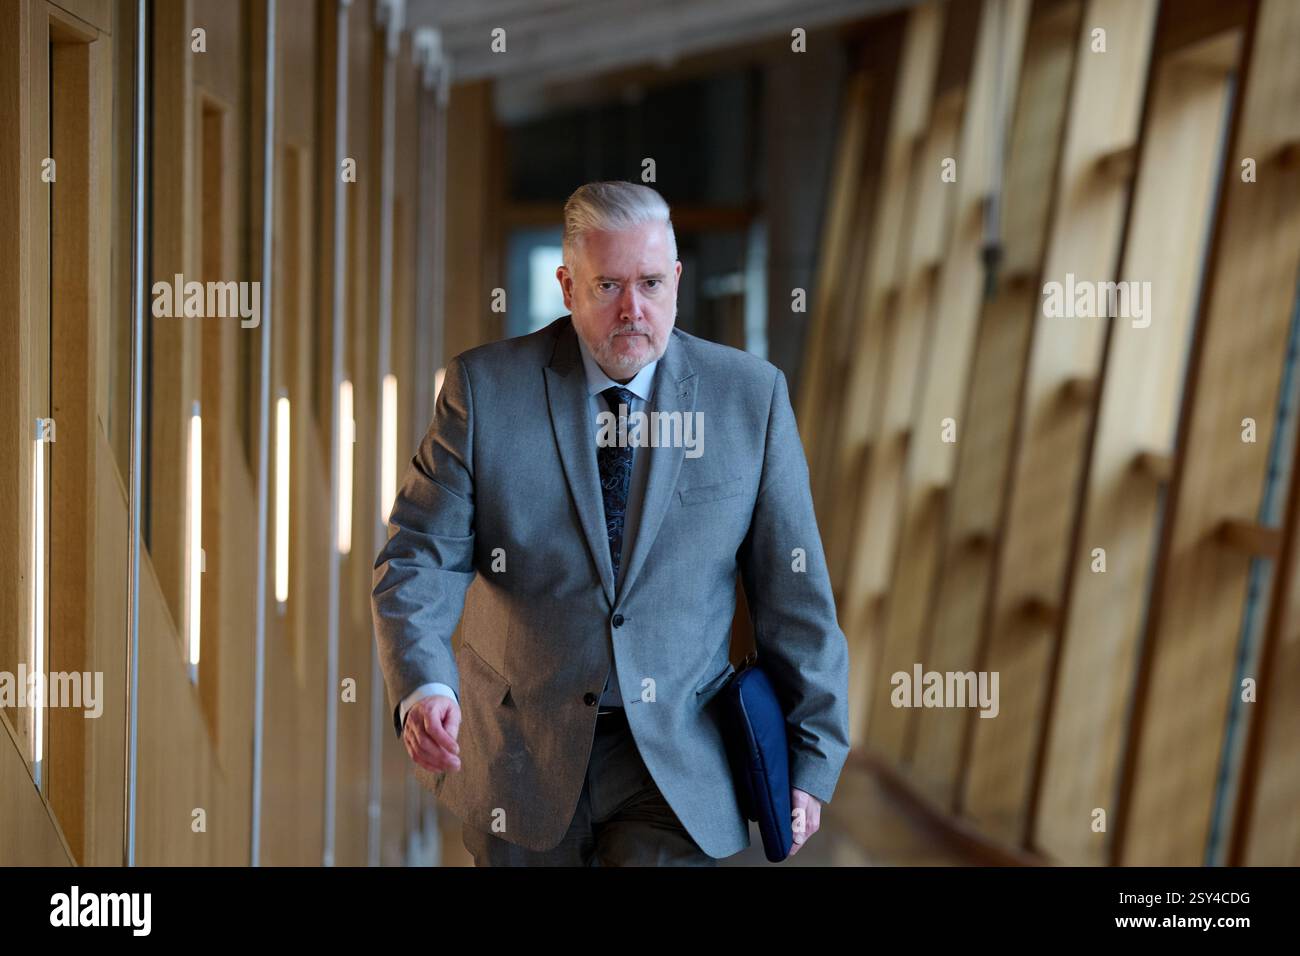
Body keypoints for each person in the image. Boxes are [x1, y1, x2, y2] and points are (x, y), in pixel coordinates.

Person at [371, 180, 849, 866]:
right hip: (520, 750)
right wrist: (424, 685)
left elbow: (794, 593)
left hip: (680, 757)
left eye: (652, 283)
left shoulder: (749, 398)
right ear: (567, 287)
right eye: (608, 287)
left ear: (677, 281)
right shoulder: (485, 392)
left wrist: (813, 754)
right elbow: (419, 556)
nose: (634, 309)